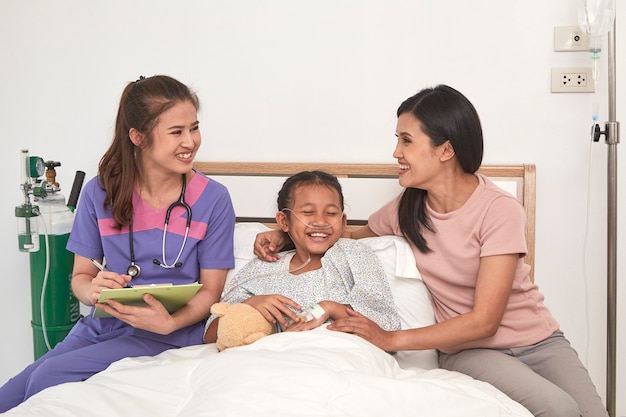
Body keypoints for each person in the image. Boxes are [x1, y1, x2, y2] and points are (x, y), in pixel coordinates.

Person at [253, 85, 608, 417]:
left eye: (406, 141)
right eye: (397, 140)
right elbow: (344, 237)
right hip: (471, 350)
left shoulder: (499, 209)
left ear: (446, 149)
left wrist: (390, 338)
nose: (396, 153)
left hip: (541, 340)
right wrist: (285, 237)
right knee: (559, 409)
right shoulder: (405, 209)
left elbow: (486, 318)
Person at [0, 75, 235, 412]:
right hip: (105, 323)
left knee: (46, 378)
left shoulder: (213, 199)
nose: (190, 141)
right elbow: (80, 277)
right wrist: (93, 290)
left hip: (172, 328)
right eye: (176, 132)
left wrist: (168, 323)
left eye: (193, 128)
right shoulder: (100, 193)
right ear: (138, 137)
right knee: (9, 394)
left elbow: (211, 291)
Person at [204, 170, 400, 344]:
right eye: (308, 212)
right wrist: (250, 305)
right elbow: (212, 335)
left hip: (339, 355)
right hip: (271, 359)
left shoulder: (356, 256)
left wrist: (328, 308)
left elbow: (385, 327)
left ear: (343, 221)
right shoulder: (261, 268)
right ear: (283, 221)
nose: (321, 221)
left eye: (331, 213)